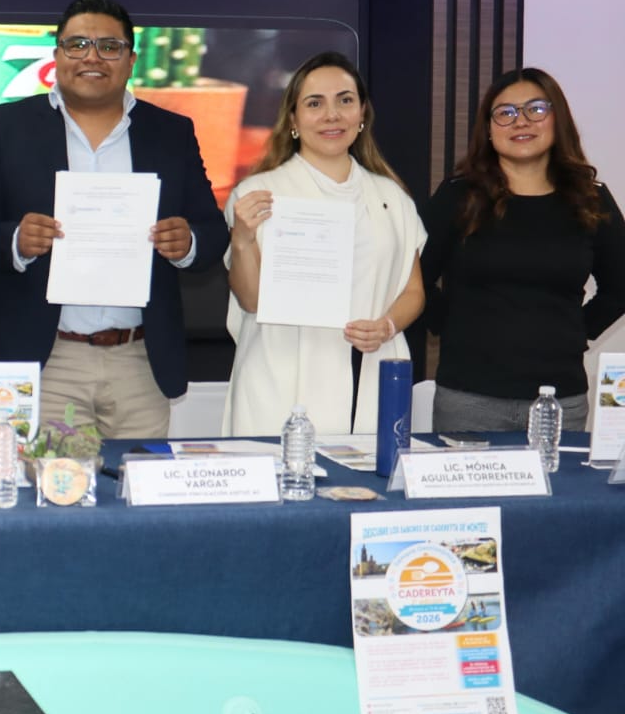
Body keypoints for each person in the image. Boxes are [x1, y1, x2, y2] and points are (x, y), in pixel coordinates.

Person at [0, 0, 229, 439]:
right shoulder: (7, 126)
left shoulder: (171, 132)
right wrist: (15, 240)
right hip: (44, 360)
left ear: (131, 60)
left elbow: (212, 230)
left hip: (139, 361)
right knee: (39, 483)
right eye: (77, 45)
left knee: (137, 479)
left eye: (109, 46)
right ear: (56, 55)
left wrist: (189, 243)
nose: (92, 57)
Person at [220, 51, 426, 436]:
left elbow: (413, 290)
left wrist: (387, 326)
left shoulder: (391, 197)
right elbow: (251, 300)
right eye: (315, 104)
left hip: (368, 369)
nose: (332, 115)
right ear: (293, 119)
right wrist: (243, 239)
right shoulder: (259, 194)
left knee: (366, 471)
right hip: (279, 375)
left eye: (345, 100)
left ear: (362, 113)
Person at [421, 67, 625, 432]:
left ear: (558, 119)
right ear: (488, 129)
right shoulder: (458, 196)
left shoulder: (591, 199)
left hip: (559, 402)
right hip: (468, 399)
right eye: (506, 112)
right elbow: (413, 280)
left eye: (536, 109)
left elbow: (620, 287)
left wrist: (575, 332)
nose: (521, 121)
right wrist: (451, 327)